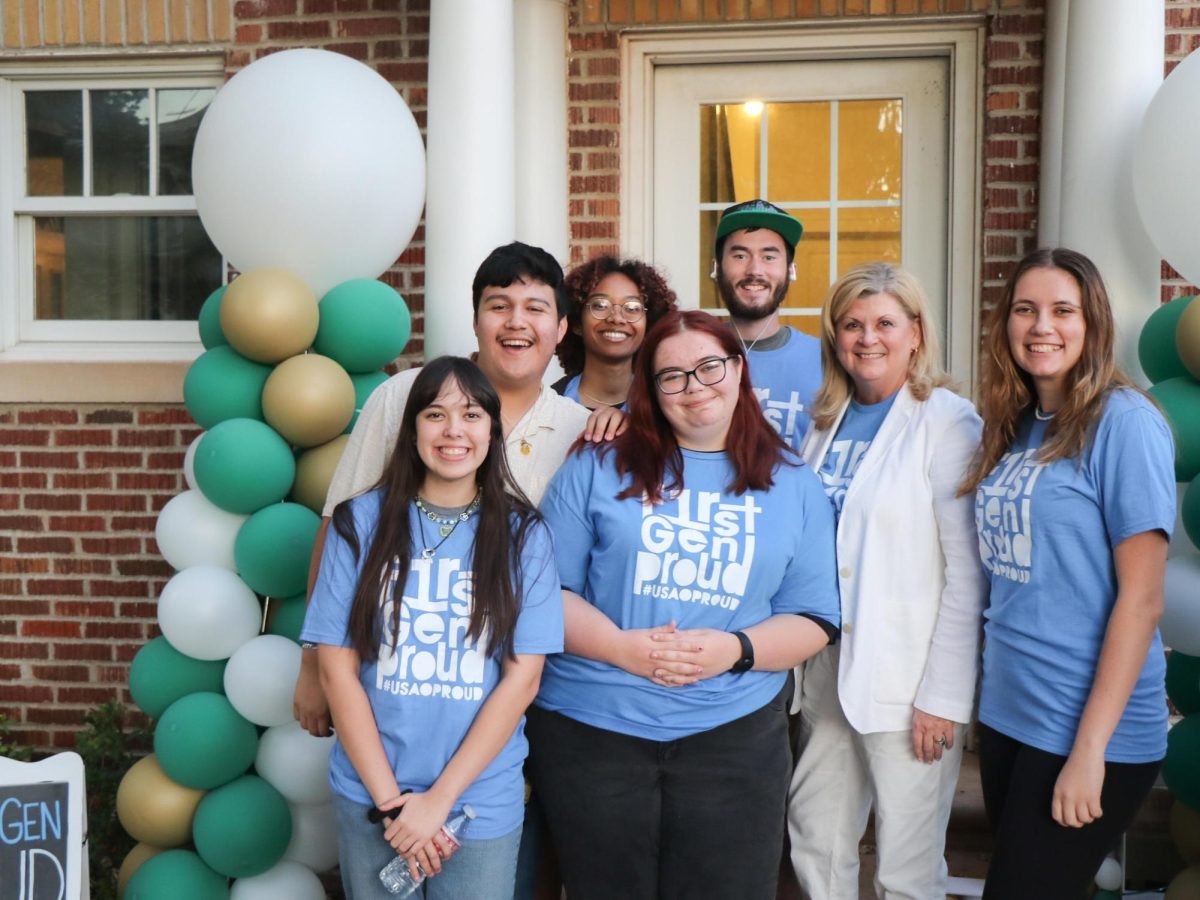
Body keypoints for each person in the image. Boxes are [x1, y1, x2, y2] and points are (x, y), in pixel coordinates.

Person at [527, 309, 840, 900]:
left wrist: (735, 650)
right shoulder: (596, 462)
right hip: (594, 729)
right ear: (650, 390)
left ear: (740, 369)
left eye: (709, 367)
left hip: (734, 735)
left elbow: (815, 616)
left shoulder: (793, 480)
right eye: (671, 376)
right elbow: (544, 591)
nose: (694, 387)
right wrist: (622, 649)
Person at [295, 242, 590, 739]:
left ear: (560, 329)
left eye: (535, 309)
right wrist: (311, 664)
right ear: (476, 321)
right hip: (402, 682)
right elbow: (337, 527)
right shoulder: (404, 397)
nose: (516, 322)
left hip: (531, 680)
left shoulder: (581, 431)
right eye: (499, 306)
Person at [301, 357, 563, 900]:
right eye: (435, 414)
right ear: (412, 428)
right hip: (372, 793)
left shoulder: (523, 534)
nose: (453, 431)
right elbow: (337, 668)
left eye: (470, 414)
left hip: (475, 801)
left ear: (492, 430)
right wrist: (392, 803)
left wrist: (438, 802)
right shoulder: (359, 522)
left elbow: (523, 679)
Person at [959, 248, 1174, 898]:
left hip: (1086, 728)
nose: (1041, 326)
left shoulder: (1125, 424)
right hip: (1009, 716)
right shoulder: (1015, 424)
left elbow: (1141, 601)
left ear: (1093, 323)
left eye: (1062, 310)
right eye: (1025, 310)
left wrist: (1090, 751)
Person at [786, 262, 986, 899]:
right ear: (834, 338)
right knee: (817, 836)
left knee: (905, 862)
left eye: (884, 323)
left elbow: (967, 574)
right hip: (824, 668)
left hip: (907, 681)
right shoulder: (821, 424)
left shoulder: (948, 422)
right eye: (851, 324)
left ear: (916, 334)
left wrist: (944, 696)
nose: (867, 338)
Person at [712, 198, 822, 448]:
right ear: (717, 268)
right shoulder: (688, 355)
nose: (755, 270)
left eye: (769, 257)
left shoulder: (828, 361)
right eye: (740, 255)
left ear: (790, 270)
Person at [551, 255, 677, 409]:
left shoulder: (665, 403)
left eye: (632, 308)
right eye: (600, 305)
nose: (617, 318)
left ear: (648, 325)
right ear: (576, 322)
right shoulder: (550, 406)